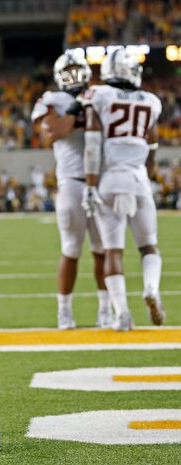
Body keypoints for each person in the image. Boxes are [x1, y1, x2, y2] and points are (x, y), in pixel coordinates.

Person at [81, 49, 165, 331]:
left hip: (109, 181)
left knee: (112, 251)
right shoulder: (151, 102)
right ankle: (151, 288)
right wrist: (147, 177)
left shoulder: (100, 95)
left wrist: (90, 186)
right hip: (139, 180)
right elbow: (152, 147)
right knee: (148, 245)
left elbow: (92, 146)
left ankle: (121, 314)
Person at [31, 51, 111, 330]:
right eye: (69, 71)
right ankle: (64, 311)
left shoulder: (100, 95)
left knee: (103, 250)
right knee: (71, 250)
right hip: (72, 184)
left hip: (101, 181)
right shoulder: (54, 100)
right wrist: (77, 107)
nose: (75, 77)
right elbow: (51, 133)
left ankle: (105, 309)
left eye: (79, 70)